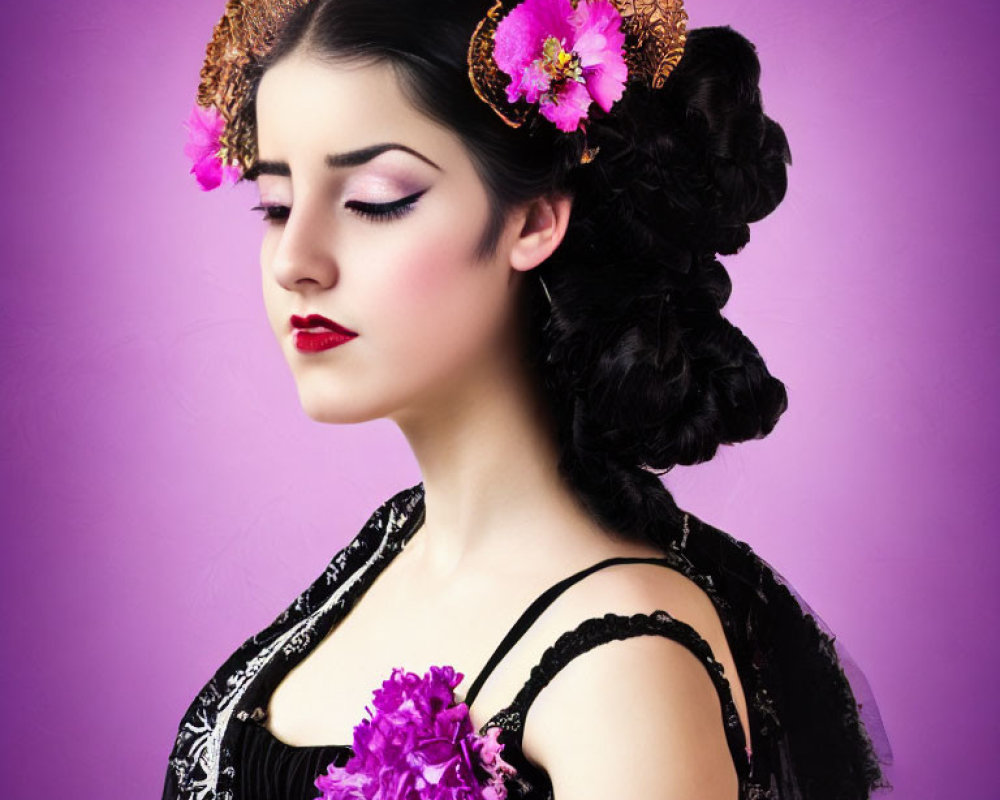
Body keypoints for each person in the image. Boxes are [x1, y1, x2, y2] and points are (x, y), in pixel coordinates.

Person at [166, 0, 893, 798]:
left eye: (374, 198)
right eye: (274, 204)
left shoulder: (621, 670)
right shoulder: (386, 550)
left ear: (536, 217)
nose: (293, 261)